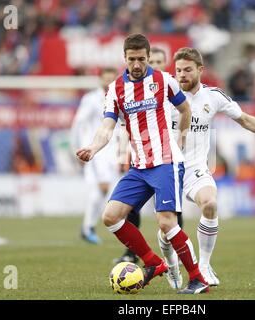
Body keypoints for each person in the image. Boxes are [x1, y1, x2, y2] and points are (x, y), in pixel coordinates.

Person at [76, 34, 209, 294]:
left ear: (148, 57)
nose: (136, 64)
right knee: (111, 217)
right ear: (124, 58)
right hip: (139, 167)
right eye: (131, 59)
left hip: (165, 162)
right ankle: (153, 262)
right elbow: (106, 127)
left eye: (141, 59)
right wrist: (93, 147)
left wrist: (180, 139)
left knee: (166, 222)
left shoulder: (163, 80)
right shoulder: (115, 89)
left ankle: (198, 278)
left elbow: (185, 110)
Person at [157, 47, 255, 287]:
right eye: (178, 70)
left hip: (195, 168)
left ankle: (204, 264)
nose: (182, 75)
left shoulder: (214, 96)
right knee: (168, 228)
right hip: (166, 169)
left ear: (200, 70)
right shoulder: (166, 94)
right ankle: (171, 265)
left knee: (210, 204)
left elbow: (245, 119)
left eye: (187, 70)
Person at [112, 47, 184, 272]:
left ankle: (179, 262)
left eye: (159, 61)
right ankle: (135, 253)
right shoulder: (132, 92)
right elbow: (125, 126)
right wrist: (122, 154)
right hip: (141, 160)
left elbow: (189, 117)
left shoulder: (169, 89)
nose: (156, 64)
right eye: (153, 61)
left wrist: (181, 143)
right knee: (129, 210)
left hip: (170, 159)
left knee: (168, 217)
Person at [70, 67, 119, 244]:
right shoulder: (91, 99)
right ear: (100, 80)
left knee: (102, 189)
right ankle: (88, 226)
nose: (108, 82)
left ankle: (88, 227)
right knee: (103, 187)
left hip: (112, 151)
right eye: (106, 79)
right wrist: (76, 148)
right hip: (96, 150)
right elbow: (78, 123)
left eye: (112, 79)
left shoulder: (118, 97)